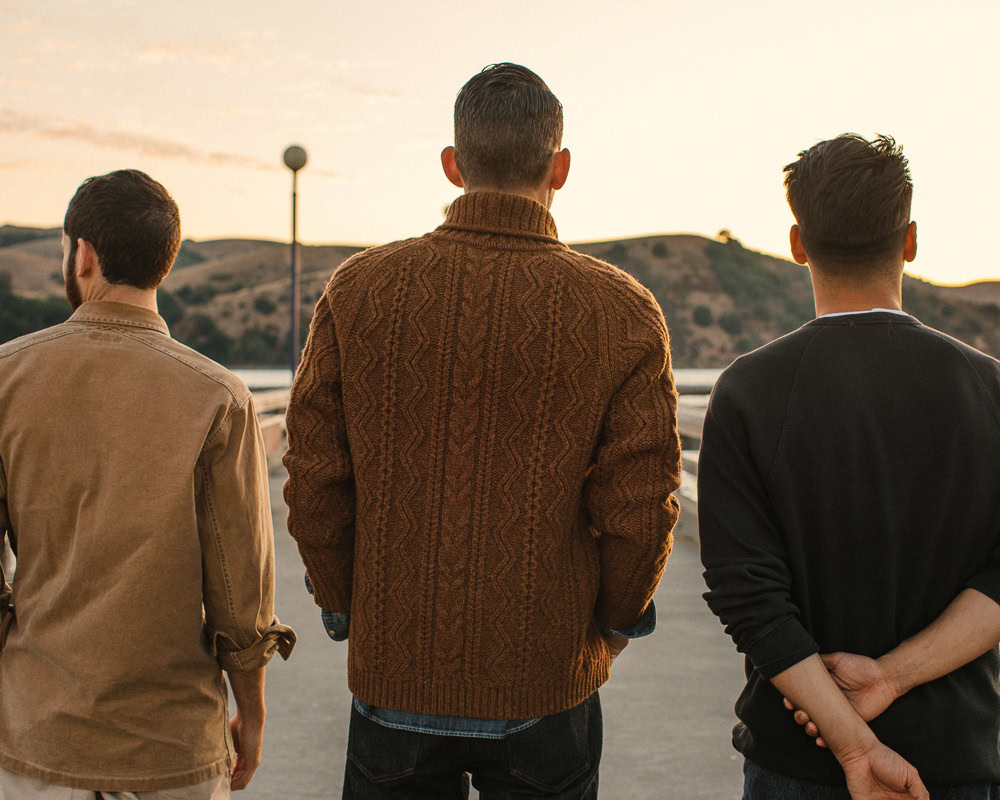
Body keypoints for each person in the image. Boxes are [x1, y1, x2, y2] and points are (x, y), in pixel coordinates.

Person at [283, 62, 681, 799]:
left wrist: (346, 607)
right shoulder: (621, 311)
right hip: (545, 678)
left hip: (393, 665)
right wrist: (617, 621)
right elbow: (640, 505)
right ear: (559, 168)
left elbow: (313, 477)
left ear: (453, 164)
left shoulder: (359, 290)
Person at [699, 133, 1000, 800]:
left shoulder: (747, 391)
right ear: (911, 239)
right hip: (952, 760)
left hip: (795, 759)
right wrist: (891, 678)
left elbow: (749, 598)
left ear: (798, 243)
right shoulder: (990, 388)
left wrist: (853, 744)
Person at [0, 169, 295, 799]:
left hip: (38, 741)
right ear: (165, 262)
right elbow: (239, 584)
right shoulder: (218, 396)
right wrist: (254, 710)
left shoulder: (7, 379)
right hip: (173, 746)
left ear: (81, 252)